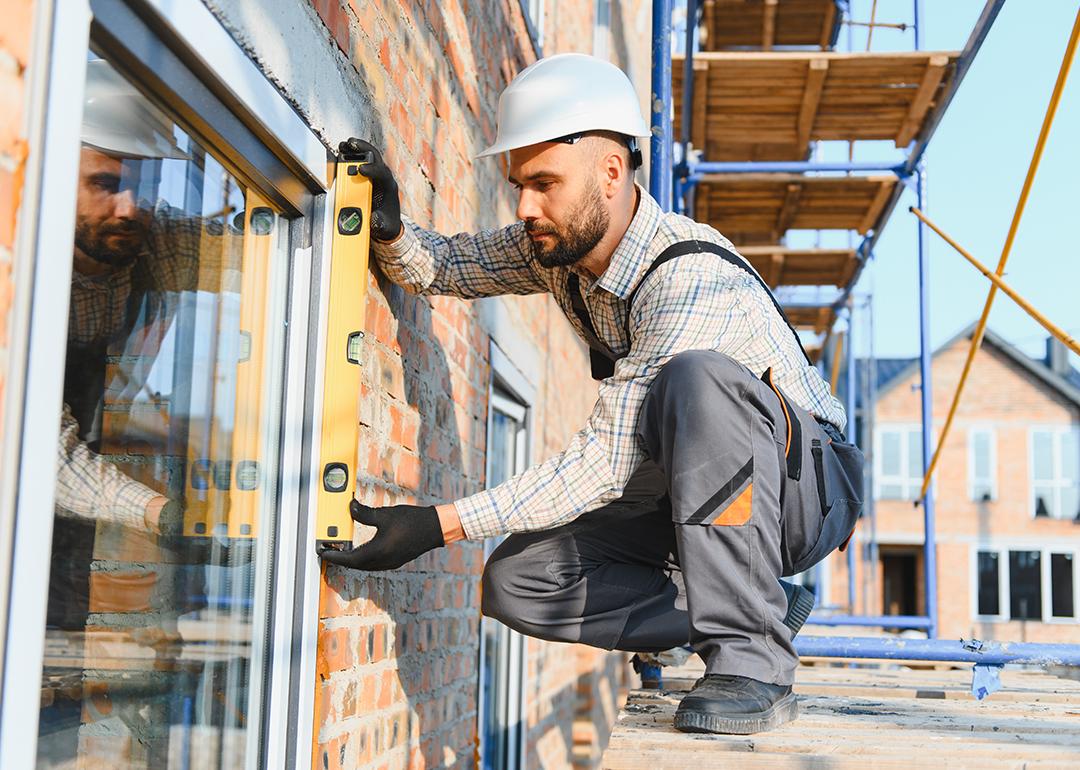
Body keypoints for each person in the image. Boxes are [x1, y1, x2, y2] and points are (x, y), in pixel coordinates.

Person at [320, 53, 864, 735]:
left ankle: (754, 665)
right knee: (520, 580)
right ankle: (760, 604)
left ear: (611, 172)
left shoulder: (689, 278)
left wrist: (433, 525)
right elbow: (452, 266)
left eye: (544, 183)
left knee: (697, 380)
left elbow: (604, 464)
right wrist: (390, 230)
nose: (524, 207)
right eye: (518, 184)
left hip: (800, 492)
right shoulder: (559, 250)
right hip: (697, 491)